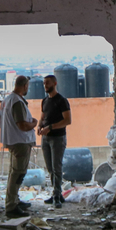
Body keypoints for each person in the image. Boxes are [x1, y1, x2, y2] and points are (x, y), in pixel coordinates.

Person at [0, 75, 38, 217]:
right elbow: (22, 125)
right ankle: (11, 207)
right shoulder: (17, 102)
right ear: (25, 86)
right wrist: (34, 123)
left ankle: (15, 200)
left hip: (13, 141)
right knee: (18, 174)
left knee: (13, 172)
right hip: (20, 142)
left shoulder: (7, 100)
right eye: (28, 86)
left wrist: (8, 131)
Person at [38, 74, 72, 208]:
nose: (45, 85)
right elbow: (43, 116)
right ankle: (56, 193)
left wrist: (50, 127)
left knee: (56, 167)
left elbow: (67, 120)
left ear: (55, 83)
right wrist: (40, 126)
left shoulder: (62, 101)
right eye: (44, 83)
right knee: (50, 168)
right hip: (45, 138)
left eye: (48, 83)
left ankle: (57, 194)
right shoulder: (45, 101)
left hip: (58, 138)